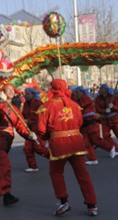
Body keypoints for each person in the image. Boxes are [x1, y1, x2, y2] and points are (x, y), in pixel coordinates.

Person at [37, 79, 98, 217]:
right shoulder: (75, 105)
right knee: (82, 174)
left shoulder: (46, 106)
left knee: (56, 173)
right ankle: (92, 205)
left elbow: (41, 129)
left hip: (59, 144)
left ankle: (64, 201)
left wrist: (49, 136)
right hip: (76, 142)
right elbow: (80, 123)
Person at [72, 85, 116, 165]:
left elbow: (79, 107)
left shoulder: (86, 98)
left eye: (77, 92)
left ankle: (110, 147)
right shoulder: (77, 99)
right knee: (86, 143)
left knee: (96, 140)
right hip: (84, 124)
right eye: (75, 93)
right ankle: (92, 159)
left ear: (82, 92)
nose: (76, 94)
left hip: (92, 122)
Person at [94, 84, 118, 157]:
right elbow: (97, 108)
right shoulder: (97, 99)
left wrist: (113, 107)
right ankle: (116, 149)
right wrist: (105, 110)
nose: (101, 89)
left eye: (102, 88)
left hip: (114, 119)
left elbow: (117, 107)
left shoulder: (112, 97)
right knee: (105, 136)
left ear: (106, 90)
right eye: (100, 88)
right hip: (105, 120)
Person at [22, 87, 49, 172]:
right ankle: (33, 166)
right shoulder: (25, 104)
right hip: (29, 129)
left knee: (39, 148)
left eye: (28, 94)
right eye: (25, 94)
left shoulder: (38, 103)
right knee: (27, 148)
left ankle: (55, 156)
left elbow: (44, 115)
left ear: (33, 94)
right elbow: (24, 115)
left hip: (37, 128)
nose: (26, 95)